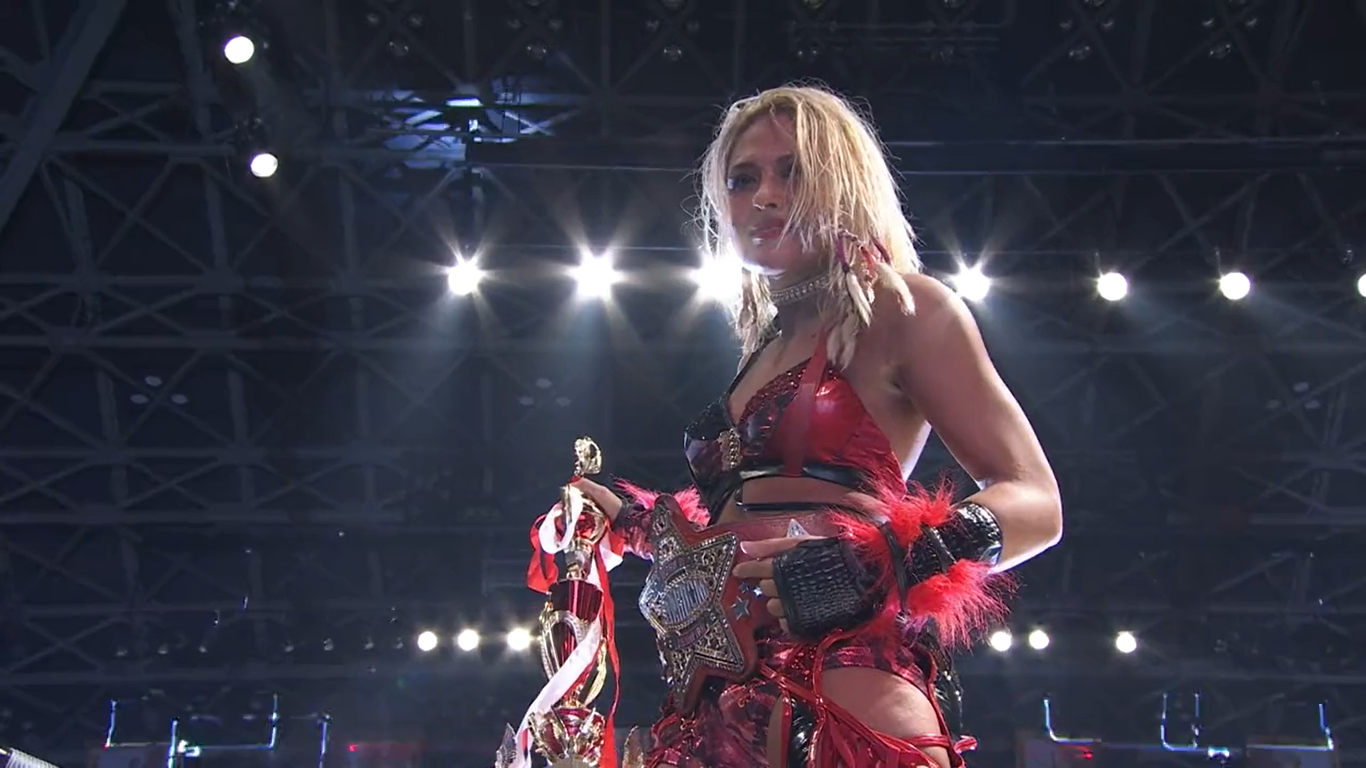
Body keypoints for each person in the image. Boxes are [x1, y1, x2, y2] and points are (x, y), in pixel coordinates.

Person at [571, 85, 1063, 768]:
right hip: (714, 706)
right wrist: (635, 521)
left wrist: (884, 560)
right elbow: (746, 527)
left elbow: (1037, 501)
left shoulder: (904, 309)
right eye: (743, 179)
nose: (765, 196)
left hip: (844, 688)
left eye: (792, 171)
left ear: (845, 181)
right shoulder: (763, 347)